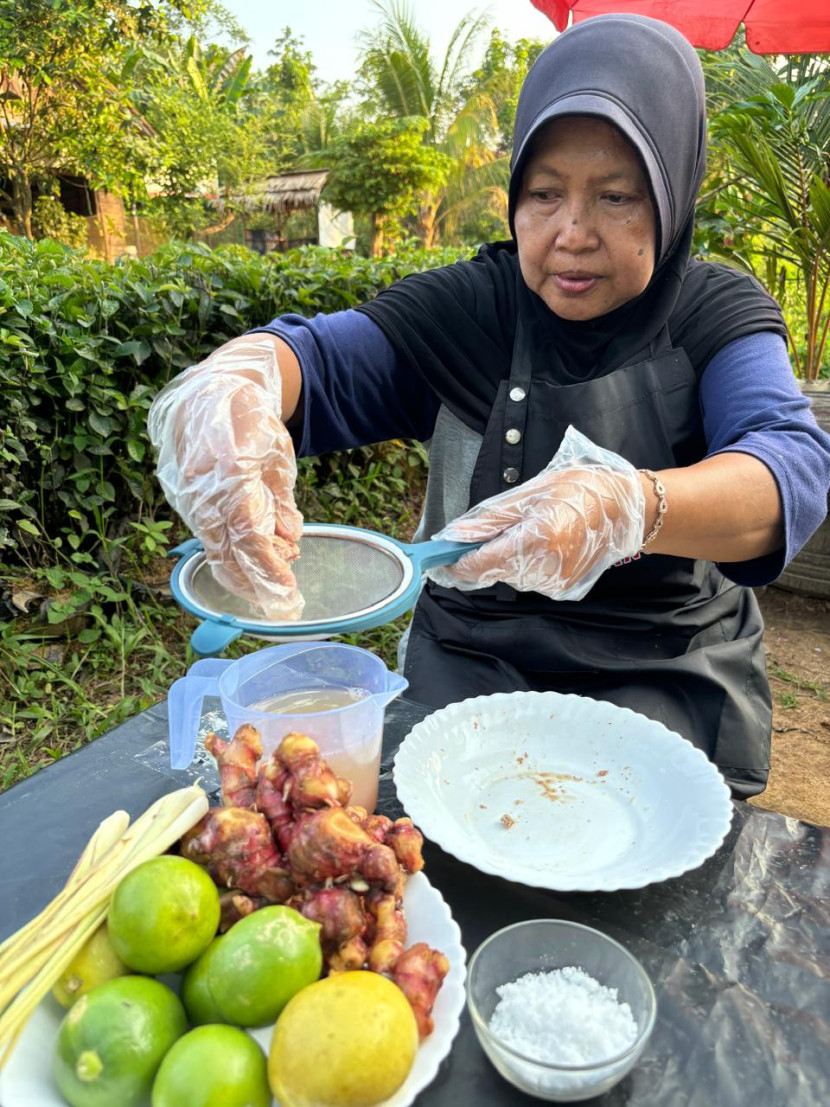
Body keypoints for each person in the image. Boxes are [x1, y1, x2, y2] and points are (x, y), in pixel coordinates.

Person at [149, 14, 830, 799]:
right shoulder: (474, 306)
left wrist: (635, 504)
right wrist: (238, 382)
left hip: (664, 667)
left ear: (672, 196)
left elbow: (789, 471)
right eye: (543, 194)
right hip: (470, 658)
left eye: (615, 196)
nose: (571, 234)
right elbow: (319, 359)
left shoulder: (715, 311)